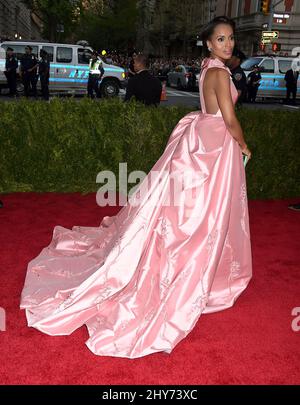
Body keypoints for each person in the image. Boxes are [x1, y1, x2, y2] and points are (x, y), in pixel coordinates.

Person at [20, 16, 252, 359]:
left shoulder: (207, 69)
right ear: (208, 43)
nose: (228, 44)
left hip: (202, 141)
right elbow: (229, 119)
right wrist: (244, 144)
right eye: (221, 39)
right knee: (206, 215)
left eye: (230, 38)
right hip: (214, 147)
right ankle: (194, 272)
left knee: (187, 210)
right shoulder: (219, 73)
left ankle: (190, 264)